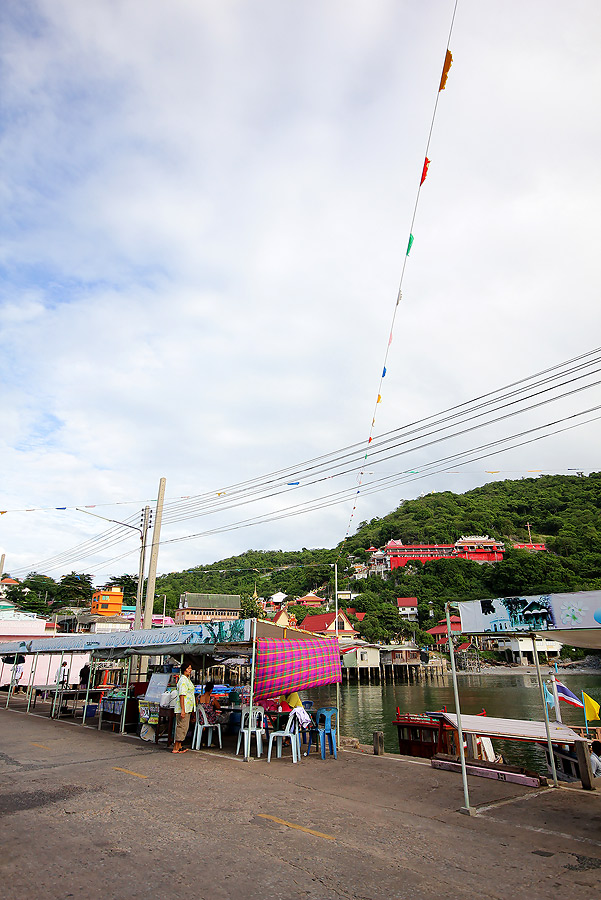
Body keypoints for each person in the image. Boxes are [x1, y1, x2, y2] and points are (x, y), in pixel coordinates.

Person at [173, 661, 195, 754]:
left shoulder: (187, 680)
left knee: (184, 727)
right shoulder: (182, 680)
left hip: (188, 707)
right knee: (181, 727)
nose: (190, 670)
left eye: (190, 668)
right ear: (184, 669)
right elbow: (182, 695)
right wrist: (183, 709)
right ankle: (176, 746)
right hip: (184, 707)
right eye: (188, 668)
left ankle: (180, 745)